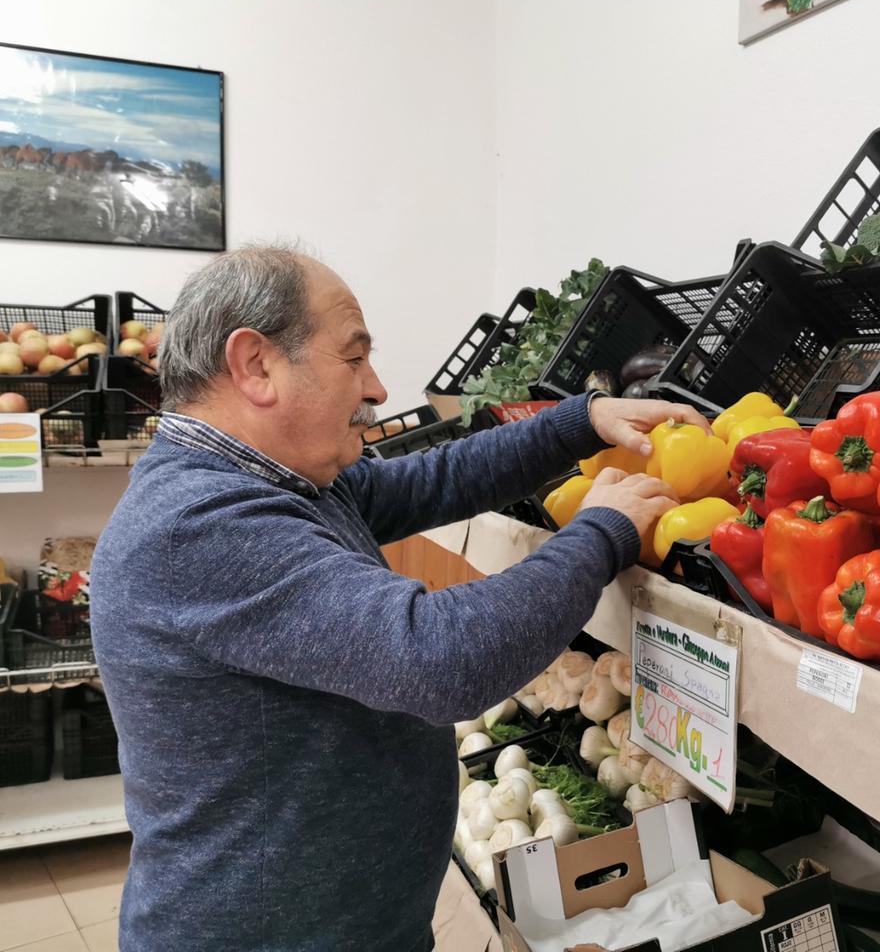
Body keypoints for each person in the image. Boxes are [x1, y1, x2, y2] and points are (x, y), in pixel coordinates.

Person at [91, 246, 697, 951]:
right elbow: (440, 658)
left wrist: (578, 424)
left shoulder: (277, 481)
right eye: (354, 358)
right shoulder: (200, 525)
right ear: (255, 365)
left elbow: (434, 479)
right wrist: (603, 532)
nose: (376, 387)